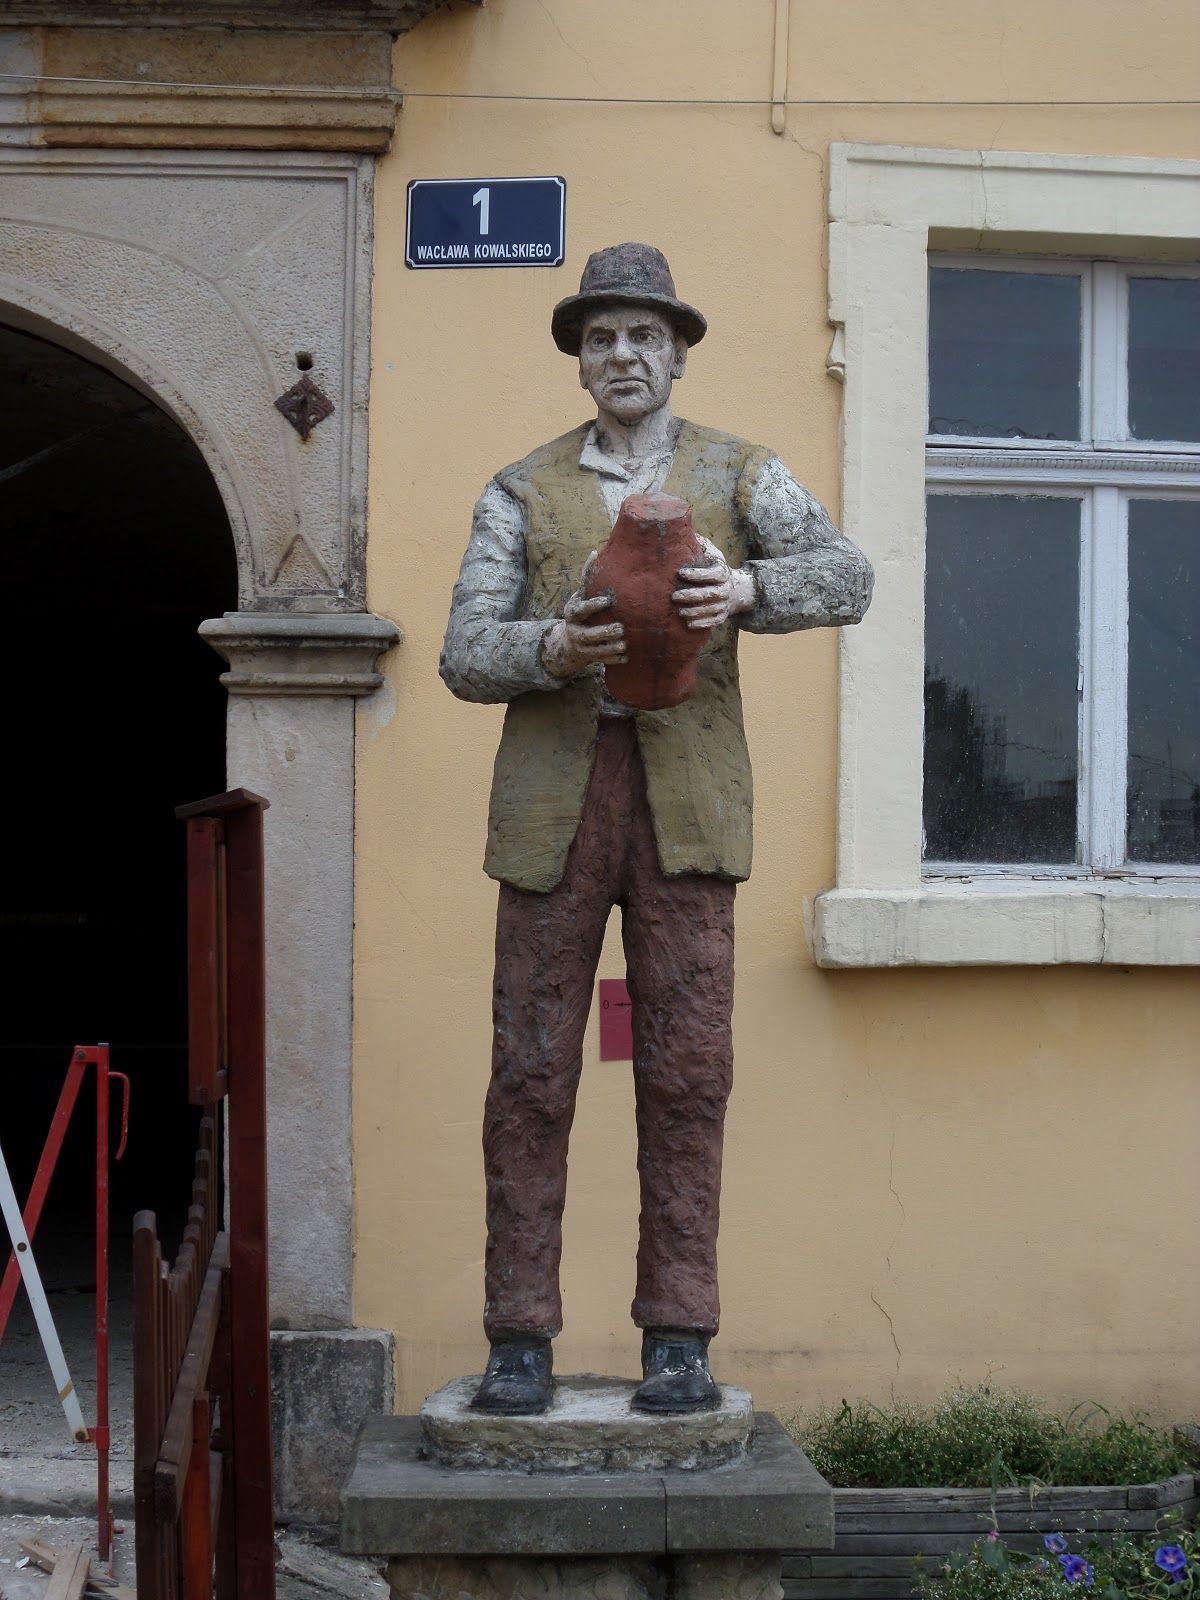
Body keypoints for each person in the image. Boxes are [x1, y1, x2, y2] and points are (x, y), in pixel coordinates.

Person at [440, 242, 873, 1417]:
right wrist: (550, 646)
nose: (621, 355)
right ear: (579, 361)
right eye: (599, 338)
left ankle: (678, 1333)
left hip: (688, 809)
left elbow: (849, 576)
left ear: (677, 352)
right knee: (529, 1068)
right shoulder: (522, 488)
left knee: (687, 1070)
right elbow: (461, 650)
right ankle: (518, 1336)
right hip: (552, 811)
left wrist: (747, 592)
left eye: (641, 336)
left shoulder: (741, 474)